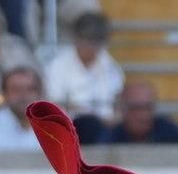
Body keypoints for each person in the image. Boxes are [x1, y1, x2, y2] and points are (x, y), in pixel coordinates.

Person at [45, 10, 123, 142]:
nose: (91, 48)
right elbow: (55, 104)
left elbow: (117, 101)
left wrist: (115, 118)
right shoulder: (57, 65)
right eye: (87, 41)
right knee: (89, 124)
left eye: (96, 42)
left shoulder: (110, 66)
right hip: (69, 128)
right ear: (77, 39)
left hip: (106, 129)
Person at [98, 78, 178, 144]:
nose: (143, 115)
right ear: (123, 110)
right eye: (136, 108)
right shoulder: (112, 136)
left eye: (148, 108)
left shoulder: (169, 131)